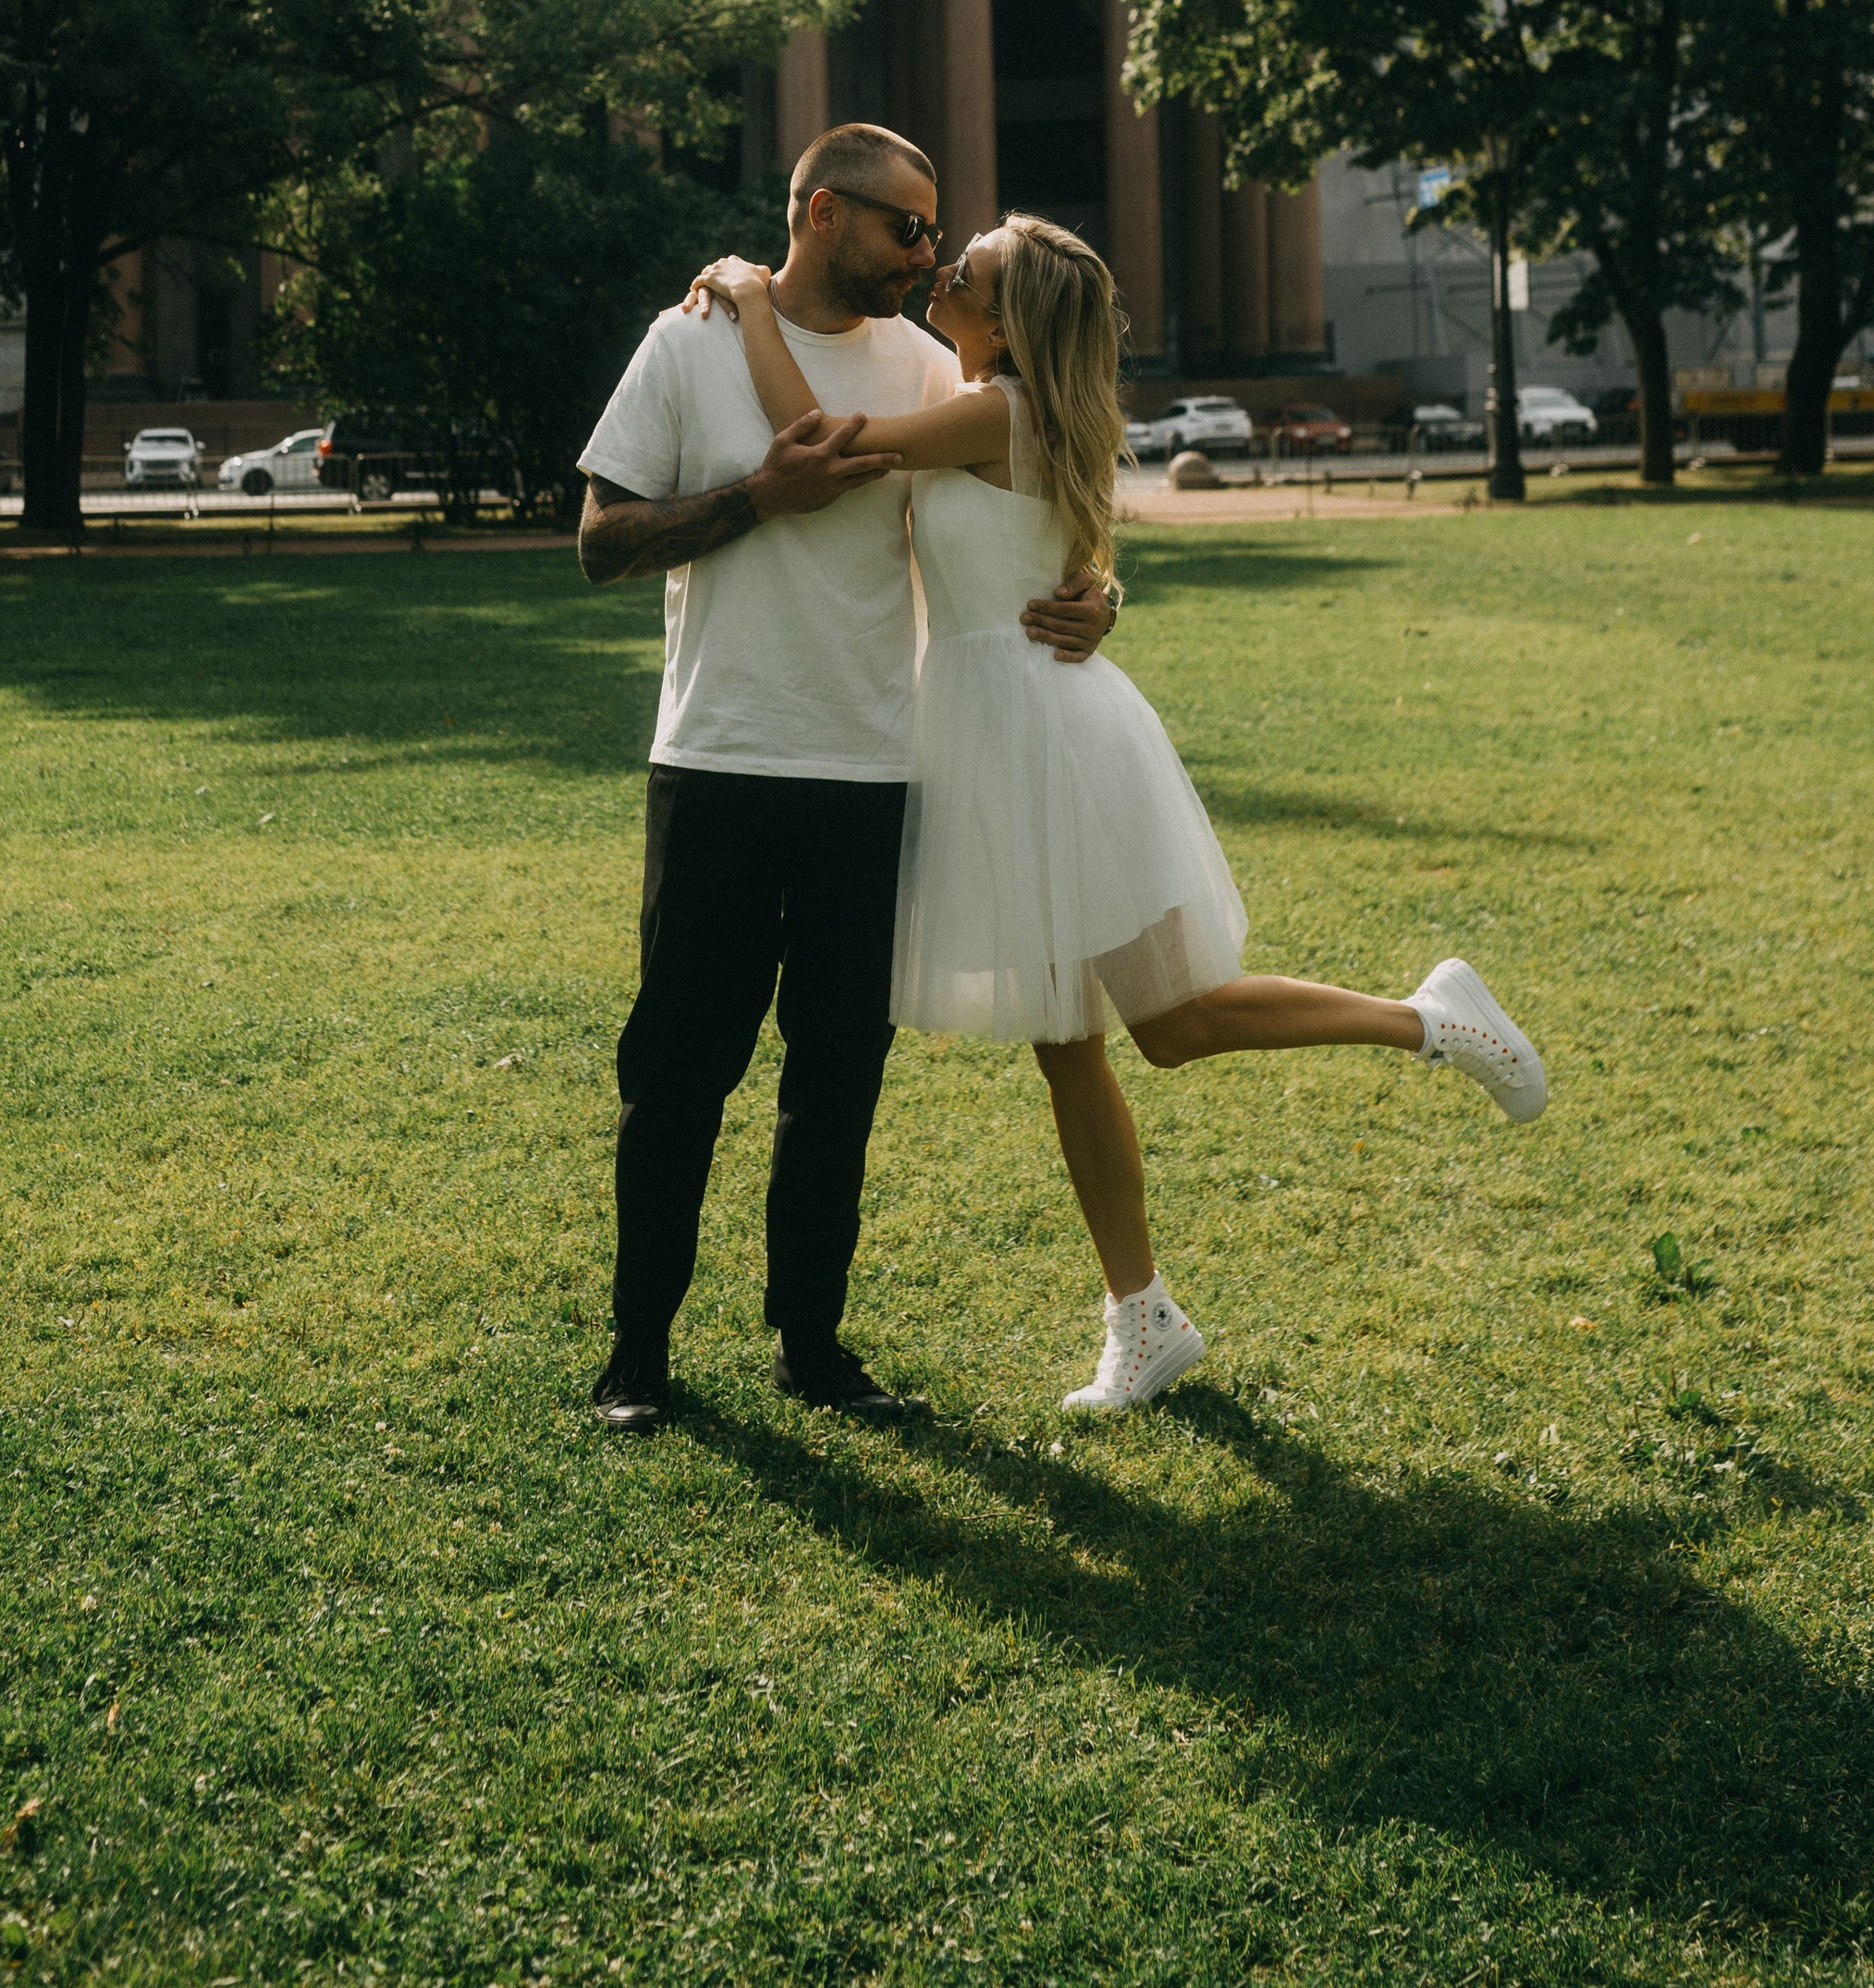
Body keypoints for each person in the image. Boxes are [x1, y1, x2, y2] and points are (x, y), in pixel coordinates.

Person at [692, 212, 1549, 1417]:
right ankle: (1141, 1318)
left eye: (971, 269)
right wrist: (1096, 594)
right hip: (1006, 733)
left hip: (1051, 744)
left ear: (1010, 317)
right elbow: (1028, 551)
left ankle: (1430, 1020)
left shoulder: (1000, 410)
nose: (946, 270)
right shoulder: (990, 397)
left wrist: (744, 293)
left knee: (1173, 1021)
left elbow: (813, 442)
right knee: (1070, 1045)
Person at [576, 126, 1118, 1439]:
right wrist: (750, 499)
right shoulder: (689, 340)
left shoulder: (930, 363)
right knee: (677, 1070)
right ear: (825, 213)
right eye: (909, 230)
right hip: (717, 759)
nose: (929, 255)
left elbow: (1029, 492)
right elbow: (600, 542)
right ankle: (636, 1357)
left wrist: (1101, 592)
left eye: (938, 237)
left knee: (839, 1077)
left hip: (877, 775)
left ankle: (812, 1348)